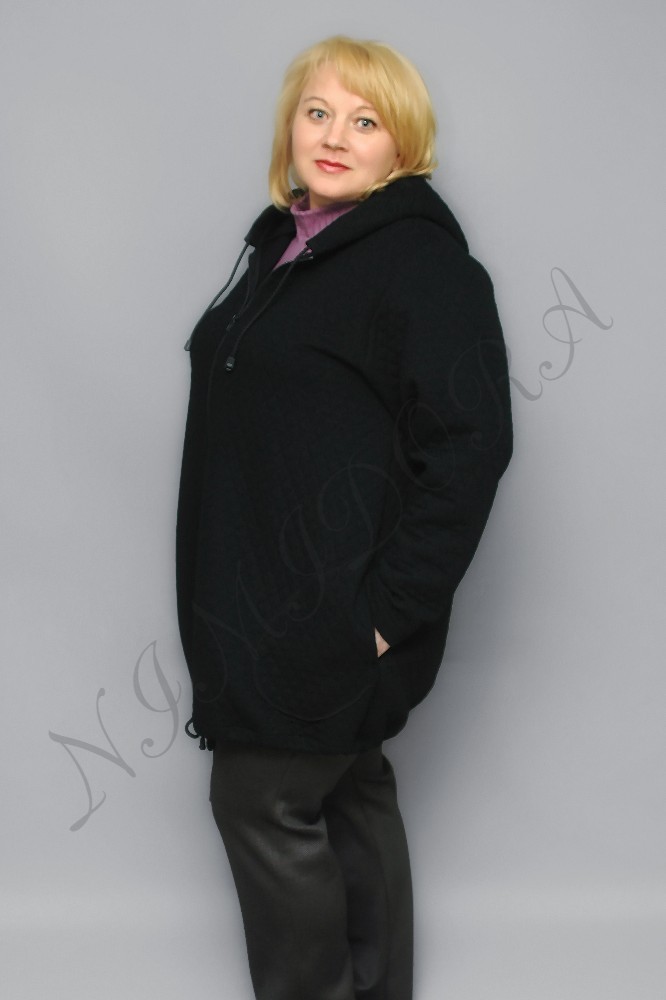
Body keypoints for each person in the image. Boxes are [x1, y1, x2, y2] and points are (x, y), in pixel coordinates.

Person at [176, 34, 512, 1000]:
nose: (334, 136)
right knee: (352, 795)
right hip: (261, 609)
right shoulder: (281, 248)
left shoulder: (421, 267)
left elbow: (470, 448)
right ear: (290, 125)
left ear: (402, 147)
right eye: (318, 112)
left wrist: (383, 615)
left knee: (262, 800)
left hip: (328, 619)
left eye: (366, 122)